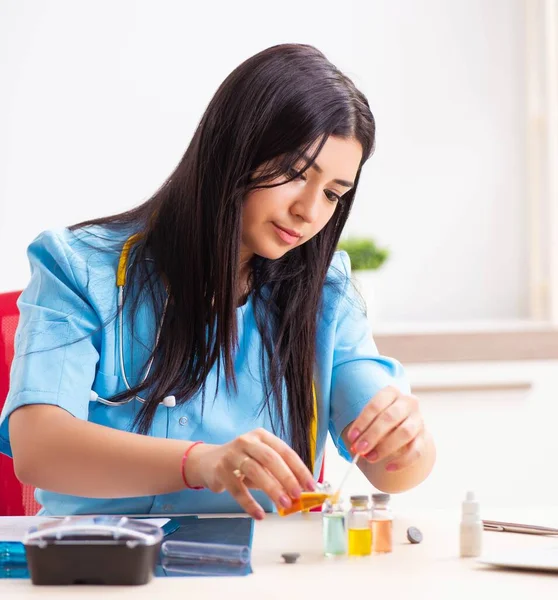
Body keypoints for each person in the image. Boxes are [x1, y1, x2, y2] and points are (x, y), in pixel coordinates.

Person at [0, 43, 435, 518]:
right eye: (294, 173)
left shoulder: (325, 290)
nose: (309, 212)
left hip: (262, 573)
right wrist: (202, 463)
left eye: (333, 194)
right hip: (105, 570)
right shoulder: (78, 265)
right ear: (234, 148)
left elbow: (392, 470)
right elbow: (38, 446)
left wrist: (405, 441)